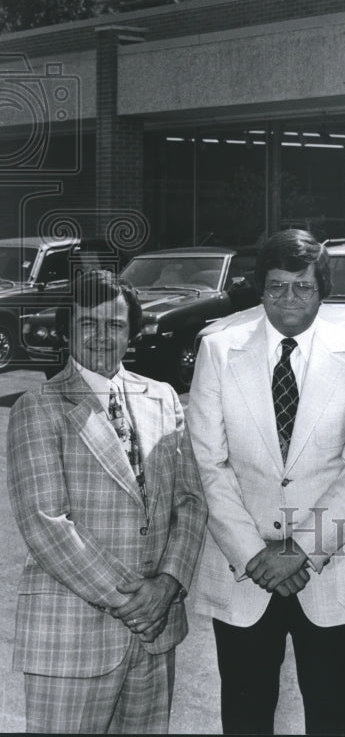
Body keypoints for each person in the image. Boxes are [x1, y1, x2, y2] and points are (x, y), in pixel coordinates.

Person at [187, 229, 345, 736]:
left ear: (323, 289)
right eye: (276, 287)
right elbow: (210, 464)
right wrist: (255, 556)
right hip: (243, 574)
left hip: (329, 569)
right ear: (260, 288)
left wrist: (300, 550)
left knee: (334, 720)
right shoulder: (218, 350)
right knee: (246, 721)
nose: (289, 299)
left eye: (303, 286)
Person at [7, 269, 207, 734]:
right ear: (67, 330)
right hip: (72, 635)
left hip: (156, 636)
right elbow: (46, 523)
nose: (101, 336)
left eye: (114, 325)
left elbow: (191, 502)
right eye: (87, 324)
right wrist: (135, 600)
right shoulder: (38, 406)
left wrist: (168, 585)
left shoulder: (161, 398)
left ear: (131, 332)